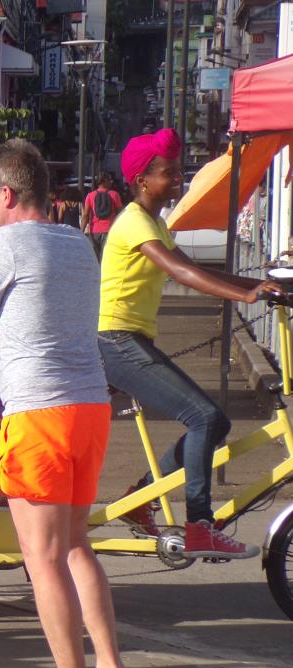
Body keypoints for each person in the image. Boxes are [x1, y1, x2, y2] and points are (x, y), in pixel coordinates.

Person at [0, 139, 122, 668]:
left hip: (39, 414)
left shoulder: (8, 244)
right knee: (77, 545)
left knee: (42, 561)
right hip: (89, 407)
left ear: (8, 195)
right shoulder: (76, 241)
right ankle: (110, 663)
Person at [98, 128, 280, 559]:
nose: (178, 179)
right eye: (169, 172)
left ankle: (141, 499)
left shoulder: (155, 222)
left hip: (132, 341)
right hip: (117, 342)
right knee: (203, 418)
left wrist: (260, 285)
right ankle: (200, 524)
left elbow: (195, 267)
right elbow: (180, 274)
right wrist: (246, 296)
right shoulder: (134, 222)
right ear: (142, 180)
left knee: (215, 423)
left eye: (179, 171)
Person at [83, 172, 124, 258]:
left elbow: (86, 215)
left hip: (94, 231)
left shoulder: (90, 195)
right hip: (109, 230)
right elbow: (121, 214)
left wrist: (81, 231)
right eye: (110, 180)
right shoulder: (114, 194)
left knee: (95, 257)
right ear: (105, 181)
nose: (111, 182)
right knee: (106, 257)